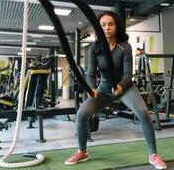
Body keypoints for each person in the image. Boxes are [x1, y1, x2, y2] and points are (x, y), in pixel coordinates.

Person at [64, 11, 167, 170]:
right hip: (104, 88)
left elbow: (128, 74)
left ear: (116, 26)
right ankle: (82, 151)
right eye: (103, 25)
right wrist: (92, 88)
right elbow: (91, 73)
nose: (107, 28)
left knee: (143, 113)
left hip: (125, 87)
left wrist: (120, 86)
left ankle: (153, 154)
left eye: (110, 24)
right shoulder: (95, 48)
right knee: (82, 114)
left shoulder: (124, 46)